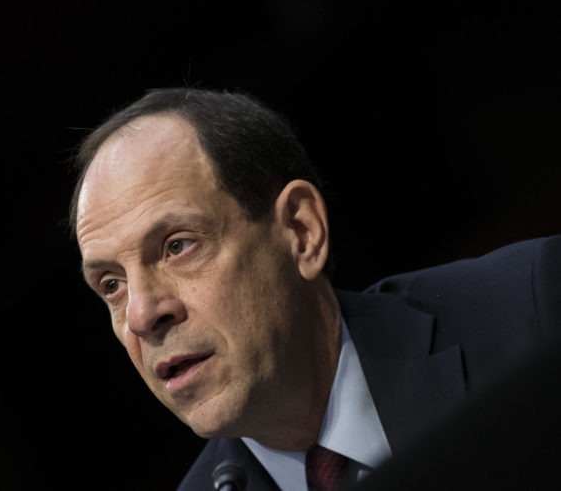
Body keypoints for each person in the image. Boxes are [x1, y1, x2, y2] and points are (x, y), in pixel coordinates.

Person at [66, 85, 561, 491]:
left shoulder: (533, 311)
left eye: (178, 246)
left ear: (301, 233)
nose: (141, 314)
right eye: (112, 283)